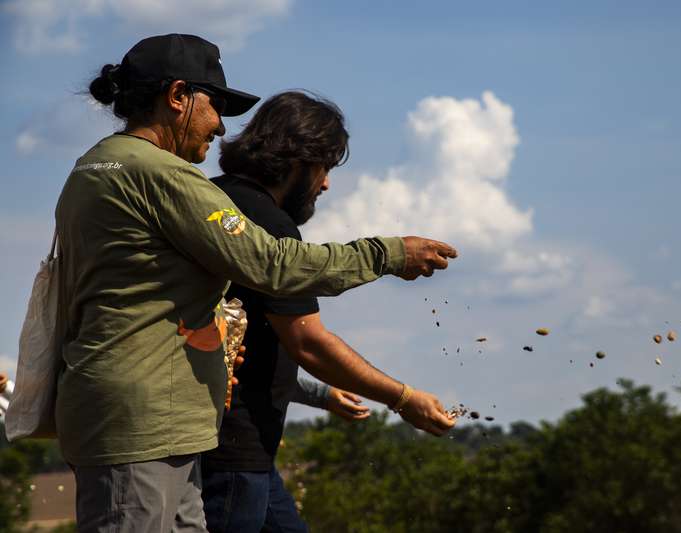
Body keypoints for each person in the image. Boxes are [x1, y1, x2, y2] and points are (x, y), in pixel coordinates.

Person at [55, 34, 456, 532]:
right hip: (143, 426)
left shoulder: (93, 166)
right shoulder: (162, 175)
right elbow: (274, 266)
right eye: (216, 105)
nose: (222, 125)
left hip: (142, 419)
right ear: (177, 96)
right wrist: (390, 252)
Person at [201, 92, 455, 532]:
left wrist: (319, 394)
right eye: (325, 169)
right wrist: (403, 398)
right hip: (233, 455)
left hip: (239, 447)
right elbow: (308, 343)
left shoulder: (214, 198)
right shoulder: (270, 224)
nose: (326, 184)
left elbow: (248, 338)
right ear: (297, 160)